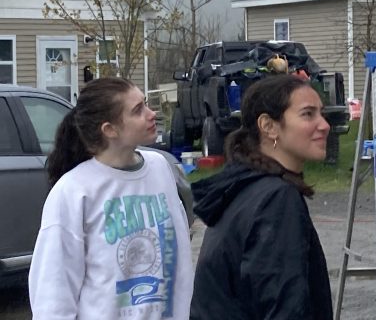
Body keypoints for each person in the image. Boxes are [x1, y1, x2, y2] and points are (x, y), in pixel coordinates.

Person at [29, 77, 193, 320]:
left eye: (146, 104)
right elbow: (53, 292)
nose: (151, 114)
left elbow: (180, 259)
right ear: (109, 130)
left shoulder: (160, 168)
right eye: (138, 110)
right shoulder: (74, 190)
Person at [190, 74, 333, 320]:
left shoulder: (245, 186)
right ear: (268, 126)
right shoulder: (276, 199)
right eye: (308, 114)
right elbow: (284, 305)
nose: (324, 125)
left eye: (321, 113)